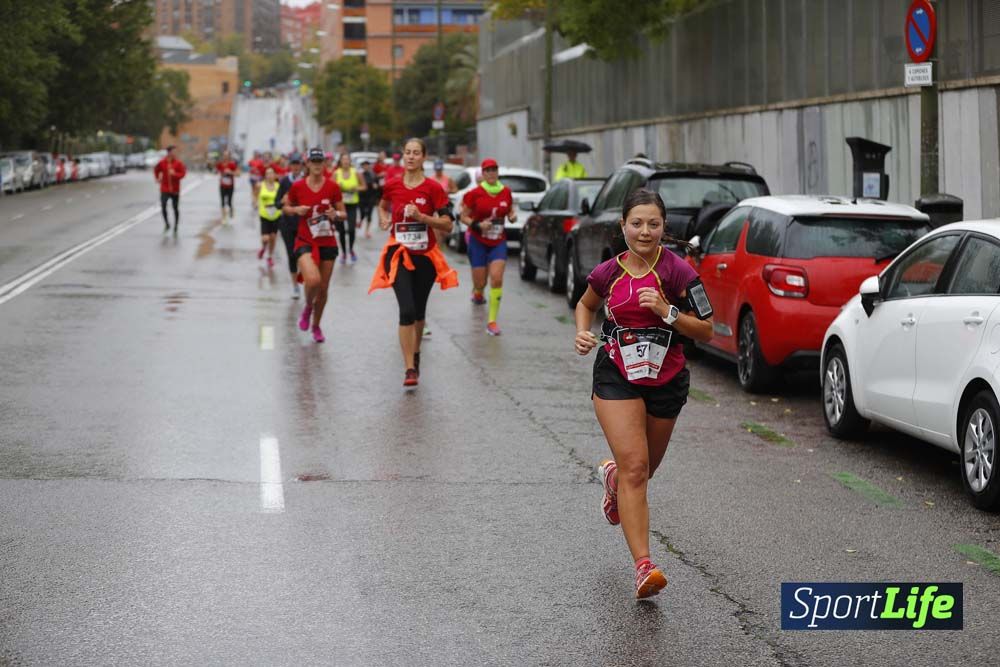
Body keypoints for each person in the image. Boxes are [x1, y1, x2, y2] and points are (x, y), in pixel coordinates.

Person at [573, 188, 713, 599]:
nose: (645, 231)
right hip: (616, 373)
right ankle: (644, 566)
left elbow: (707, 329)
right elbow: (585, 304)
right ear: (623, 226)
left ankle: (612, 478)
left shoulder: (680, 273)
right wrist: (582, 332)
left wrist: (668, 312)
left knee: (642, 472)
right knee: (636, 467)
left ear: (663, 227)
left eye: (653, 224)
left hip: (667, 378)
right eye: (637, 223)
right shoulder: (608, 272)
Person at [369, 138, 458, 388]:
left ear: (424, 158)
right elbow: (383, 205)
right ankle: (409, 367)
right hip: (397, 254)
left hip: (425, 256)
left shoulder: (433, 189)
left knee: (419, 313)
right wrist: (384, 218)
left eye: (416, 153)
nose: (410, 157)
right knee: (406, 310)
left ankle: (415, 354)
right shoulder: (392, 185)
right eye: (407, 152)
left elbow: (448, 224)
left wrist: (422, 217)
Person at [282, 148, 347, 343]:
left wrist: (336, 215)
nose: (317, 164)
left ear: (324, 164)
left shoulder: (333, 187)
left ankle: (316, 325)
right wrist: (295, 209)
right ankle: (308, 307)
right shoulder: (298, 187)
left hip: (327, 240)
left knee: (324, 289)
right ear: (307, 164)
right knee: (313, 281)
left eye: (320, 161)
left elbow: (343, 213)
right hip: (305, 240)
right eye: (314, 161)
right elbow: (285, 207)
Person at [460, 158, 515, 335]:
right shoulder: (474, 193)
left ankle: (492, 321)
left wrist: (513, 216)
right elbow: (463, 217)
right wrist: (477, 224)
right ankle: (477, 292)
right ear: (482, 174)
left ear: (497, 172)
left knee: (497, 278)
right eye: (487, 170)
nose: (491, 173)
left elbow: (510, 210)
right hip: (478, 242)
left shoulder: (506, 192)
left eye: (494, 170)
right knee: (480, 282)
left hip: (498, 241)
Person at [276, 154, 305, 298]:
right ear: (290, 166)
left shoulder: (306, 181)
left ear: (302, 165)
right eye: (293, 164)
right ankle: (295, 286)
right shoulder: (285, 181)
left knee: (303, 254)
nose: (295, 167)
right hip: (287, 224)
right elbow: (277, 204)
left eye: (298, 164)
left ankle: (303, 278)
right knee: (291, 255)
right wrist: (282, 201)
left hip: (303, 224)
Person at [333, 153, 365, 264]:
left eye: (347, 159)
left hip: (352, 204)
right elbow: (330, 188)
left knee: (351, 229)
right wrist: (338, 188)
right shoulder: (336, 173)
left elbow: (364, 186)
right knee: (341, 230)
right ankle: (344, 253)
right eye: (344, 159)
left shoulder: (355, 172)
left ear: (350, 161)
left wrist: (356, 188)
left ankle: (351, 249)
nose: (346, 161)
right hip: (340, 204)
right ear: (340, 161)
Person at [154, 146, 187, 234]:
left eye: (175, 151)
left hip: (175, 189)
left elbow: (183, 174)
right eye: (173, 151)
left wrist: (175, 174)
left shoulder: (178, 163)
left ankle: (176, 225)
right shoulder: (162, 162)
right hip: (164, 189)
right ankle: (167, 223)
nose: (174, 153)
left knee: (175, 208)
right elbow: (156, 170)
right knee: (163, 206)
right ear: (168, 152)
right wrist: (157, 178)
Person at [257, 166, 282, 268]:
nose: (270, 175)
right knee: (265, 238)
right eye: (267, 173)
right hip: (264, 214)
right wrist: (255, 202)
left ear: (275, 175)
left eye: (271, 173)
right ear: (265, 176)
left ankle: (270, 256)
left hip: (276, 215)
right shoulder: (260, 185)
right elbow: (255, 194)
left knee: (273, 238)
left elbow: (282, 198)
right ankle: (263, 248)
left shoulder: (278, 186)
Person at [358, 160, 378, 239]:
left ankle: (367, 231)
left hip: (371, 197)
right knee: (362, 213)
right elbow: (357, 184)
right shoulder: (360, 175)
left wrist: (376, 186)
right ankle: (361, 221)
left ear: (369, 166)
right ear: (362, 167)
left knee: (369, 214)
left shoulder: (373, 175)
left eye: (367, 165)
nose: (365, 167)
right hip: (362, 197)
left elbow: (377, 184)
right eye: (364, 165)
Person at [216, 150, 238, 222]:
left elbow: (238, 173)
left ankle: (231, 209)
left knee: (229, 202)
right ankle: (224, 217)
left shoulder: (232, 164)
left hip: (230, 186)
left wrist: (230, 172)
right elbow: (216, 171)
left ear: (229, 156)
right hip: (222, 185)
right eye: (224, 155)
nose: (225, 157)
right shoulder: (220, 164)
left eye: (227, 155)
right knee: (222, 201)